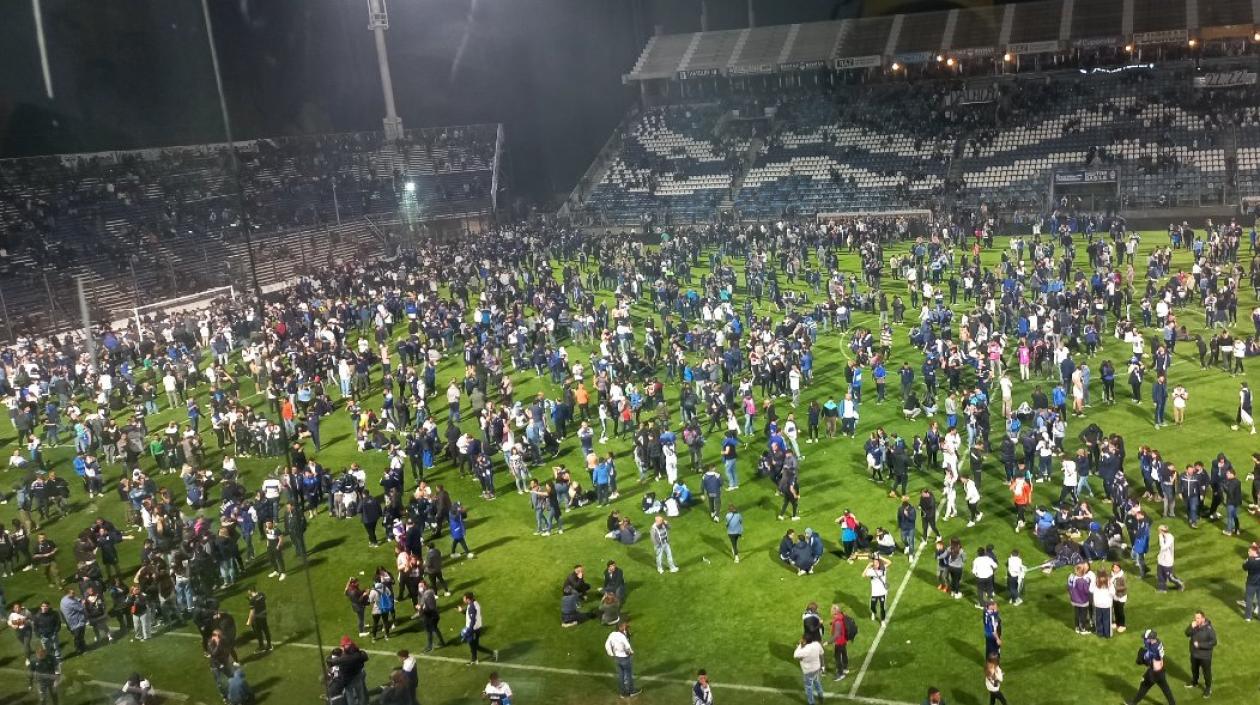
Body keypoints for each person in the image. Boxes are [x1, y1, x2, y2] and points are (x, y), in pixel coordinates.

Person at [1125, 629, 1176, 705]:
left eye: (1146, 638)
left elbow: (1143, 660)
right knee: (1165, 688)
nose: (1145, 640)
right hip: (1161, 670)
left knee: (1144, 686)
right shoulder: (1158, 642)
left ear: (1151, 638)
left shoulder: (1152, 650)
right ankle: (1172, 704)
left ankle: (1133, 703)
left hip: (1154, 673)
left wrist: (1140, 657)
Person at [1184, 611, 1216, 697]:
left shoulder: (1209, 629)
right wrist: (1191, 626)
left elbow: (1213, 642)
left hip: (1205, 656)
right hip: (1194, 654)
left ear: (1203, 618)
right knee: (1194, 669)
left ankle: (1208, 688)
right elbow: (1187, 633)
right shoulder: (1194, 626)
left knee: (1206, 672)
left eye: (1198, 618)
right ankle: (1194, 682)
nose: (1196, 619)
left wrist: (1200, 645)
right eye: (1195, 618)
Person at [458, 592, 496, 664]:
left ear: (468, 599)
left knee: (474, 645)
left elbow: (473, 620)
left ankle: (492, 653)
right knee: (473, 645)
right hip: (476, 628)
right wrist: (462, 611)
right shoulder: (474, 603)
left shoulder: (472, 606)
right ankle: (474, 659)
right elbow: (470, 613)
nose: (463, 599)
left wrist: (469, 630)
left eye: (464, 598)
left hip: (473, 629)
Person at [604, 621, 639, 697]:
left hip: (617, 658)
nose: (625, 626)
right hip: (625, 658)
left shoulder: (612, 634)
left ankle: (622, 693)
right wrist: (631, 652)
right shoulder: (622, 636)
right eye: (623, 626)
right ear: (620, 627)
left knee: (621, 675)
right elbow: (627, 646)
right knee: (629, 675)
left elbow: (607, 645)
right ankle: (631, 691)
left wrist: (611, 653)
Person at [793, 634, 826, 705]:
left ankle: (811, 703)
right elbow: (822, 653)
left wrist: (799, 646)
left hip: (808, 671)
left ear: (805, 640)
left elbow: (795, 655)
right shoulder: (817, 644)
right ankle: (821, 697)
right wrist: (823, 665)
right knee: (817, 682)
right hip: (817, 668)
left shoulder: (804, 650)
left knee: (809, 687)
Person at [829, 604, 857, 681]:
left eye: (831, 610)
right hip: (844, 639)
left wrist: (828, 642)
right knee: (844, 653)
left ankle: (840, 674)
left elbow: (836, 635)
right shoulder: (841, 616)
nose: (830, 611)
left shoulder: (838, 621)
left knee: (837, 657)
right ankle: (845, 668)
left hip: (839, 641)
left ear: (834, 611)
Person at [1156, 525, 1185, 592]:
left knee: (1170, 577)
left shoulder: (1170, 538)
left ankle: (1180, 584)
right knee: (1160, 575)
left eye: (1159, 530)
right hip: (1161, 559)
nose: (1158, 532)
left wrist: (1160, 537)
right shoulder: (1161, 536)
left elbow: (1163, 547)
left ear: (1162, 531)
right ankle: (1162, 589)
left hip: (1167, 561)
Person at [864, 555, 891, 621]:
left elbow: (889, 562)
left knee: (882, 607)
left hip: (882, 592)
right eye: (874, 563)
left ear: (879, 562)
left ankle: (882, 621)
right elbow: (863, 575)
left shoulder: (883, 568)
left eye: (877, 562)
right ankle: (874, 612)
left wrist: (881, 557)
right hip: (874, 592)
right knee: (872, 606)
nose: (875, 564)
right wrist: (868, 566)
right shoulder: (871, 571)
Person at [246, 588, 271, 652]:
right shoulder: (261, 594)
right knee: (266, 630)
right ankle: (269, 645)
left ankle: (261, 646)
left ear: (251, 591)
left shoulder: (252, 600)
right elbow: (263, 600)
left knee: (258, 632)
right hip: (264, 614)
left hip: (257, 617)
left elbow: (252, 612)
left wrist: (249, 621)